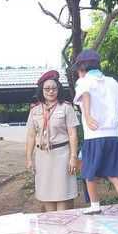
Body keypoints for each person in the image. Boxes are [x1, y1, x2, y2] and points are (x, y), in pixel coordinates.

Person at [73, 49, 118, 219]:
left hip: (94, 135)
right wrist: (111, 110)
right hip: (113, 134)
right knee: (114, 173)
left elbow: (85, 95)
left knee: (89, 173)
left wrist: (87, 115)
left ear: (82, 68)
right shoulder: (111, 81)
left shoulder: (83, 81)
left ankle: (95, 205)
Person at [25, 70, 80, 212]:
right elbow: (31, 135)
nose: (51, 91)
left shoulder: (66, 108)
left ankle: (63, 221)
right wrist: (29, 158)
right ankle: (52, 224)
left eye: (54, 88)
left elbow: (73, 134)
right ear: (41, 90)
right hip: (43, 156)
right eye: (47, 89)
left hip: (62, 155)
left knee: (63, 194)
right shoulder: (35, 110)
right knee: (46, 194)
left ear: (58, 90)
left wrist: (73, 157)